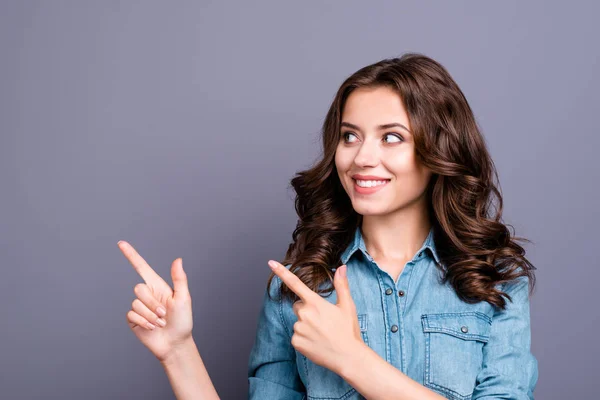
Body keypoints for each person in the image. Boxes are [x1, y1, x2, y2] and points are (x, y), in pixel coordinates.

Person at [118, 52, 538, 400]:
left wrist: (350, 358)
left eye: (391, 137)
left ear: (439, 149)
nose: (361, 158)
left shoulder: (494, 281)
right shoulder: (299, 285)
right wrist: (177, 351)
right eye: (350, 136)